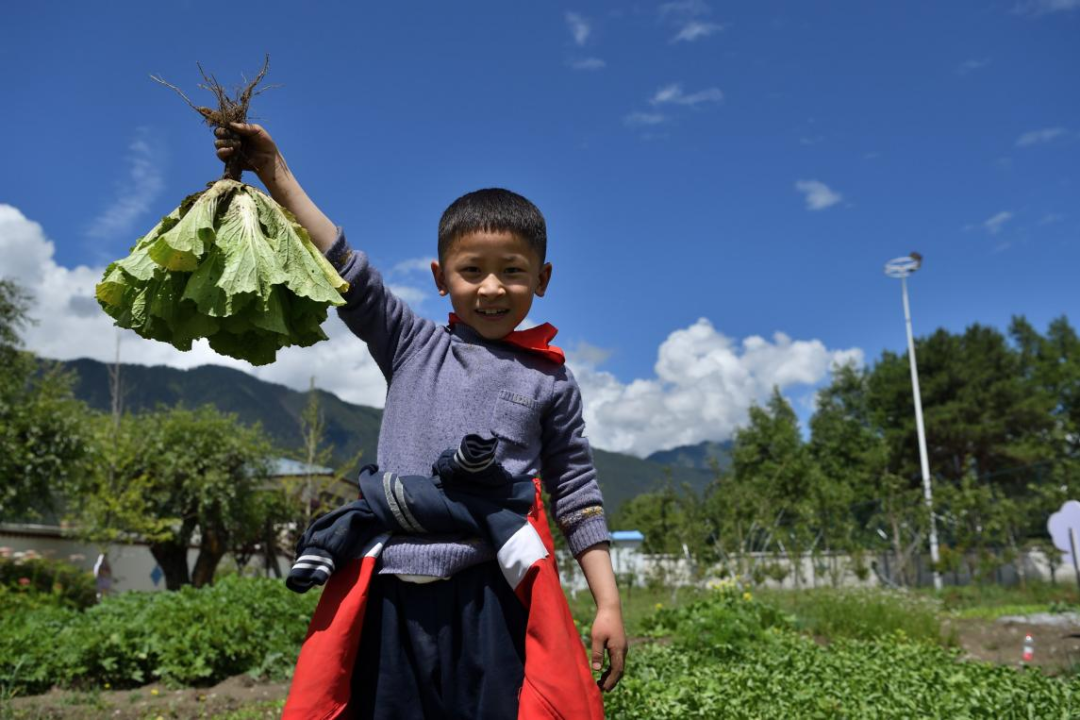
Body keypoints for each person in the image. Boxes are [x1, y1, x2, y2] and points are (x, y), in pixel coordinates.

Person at [216, 123, 626, 718]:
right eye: (471, 270)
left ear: (542, 278)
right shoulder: (411, 345)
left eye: (512, 270)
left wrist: (607, 603)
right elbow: (344, 266)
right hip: (388, 594)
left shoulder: (550, 381)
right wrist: (273, 169)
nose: (492, 287)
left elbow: (577, 495)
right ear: (440, 278)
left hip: (492, 596)